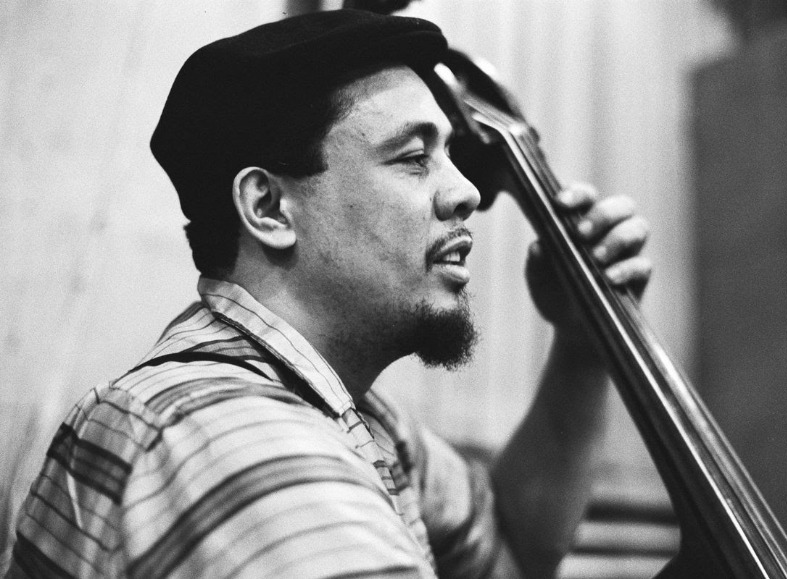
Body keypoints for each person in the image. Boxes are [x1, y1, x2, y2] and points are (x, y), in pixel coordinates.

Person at [6, 9, 651, 579]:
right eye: (413, 158)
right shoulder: (244, 447)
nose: (468, 193)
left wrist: (581, 346)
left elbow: (509, 553)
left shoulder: (353, 412)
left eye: (450, 155)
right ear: (268, 207)